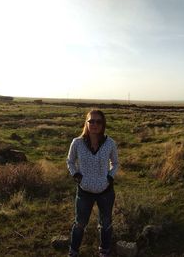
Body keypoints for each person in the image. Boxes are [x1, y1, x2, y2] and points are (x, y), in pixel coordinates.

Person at [66, 109, 119, 257]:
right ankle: (73, 251)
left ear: (103, 124)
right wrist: (76, 175)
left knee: (106, 224)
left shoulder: (110, 143)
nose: (94, 124)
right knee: (80, 224)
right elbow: (70, 161)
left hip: (106, 192)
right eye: (91, 121)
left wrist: (109, 177)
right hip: (84, 191)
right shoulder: (77, 143)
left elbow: (115, 163)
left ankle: (104, 251)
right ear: (86, 123)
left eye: (98, 121)